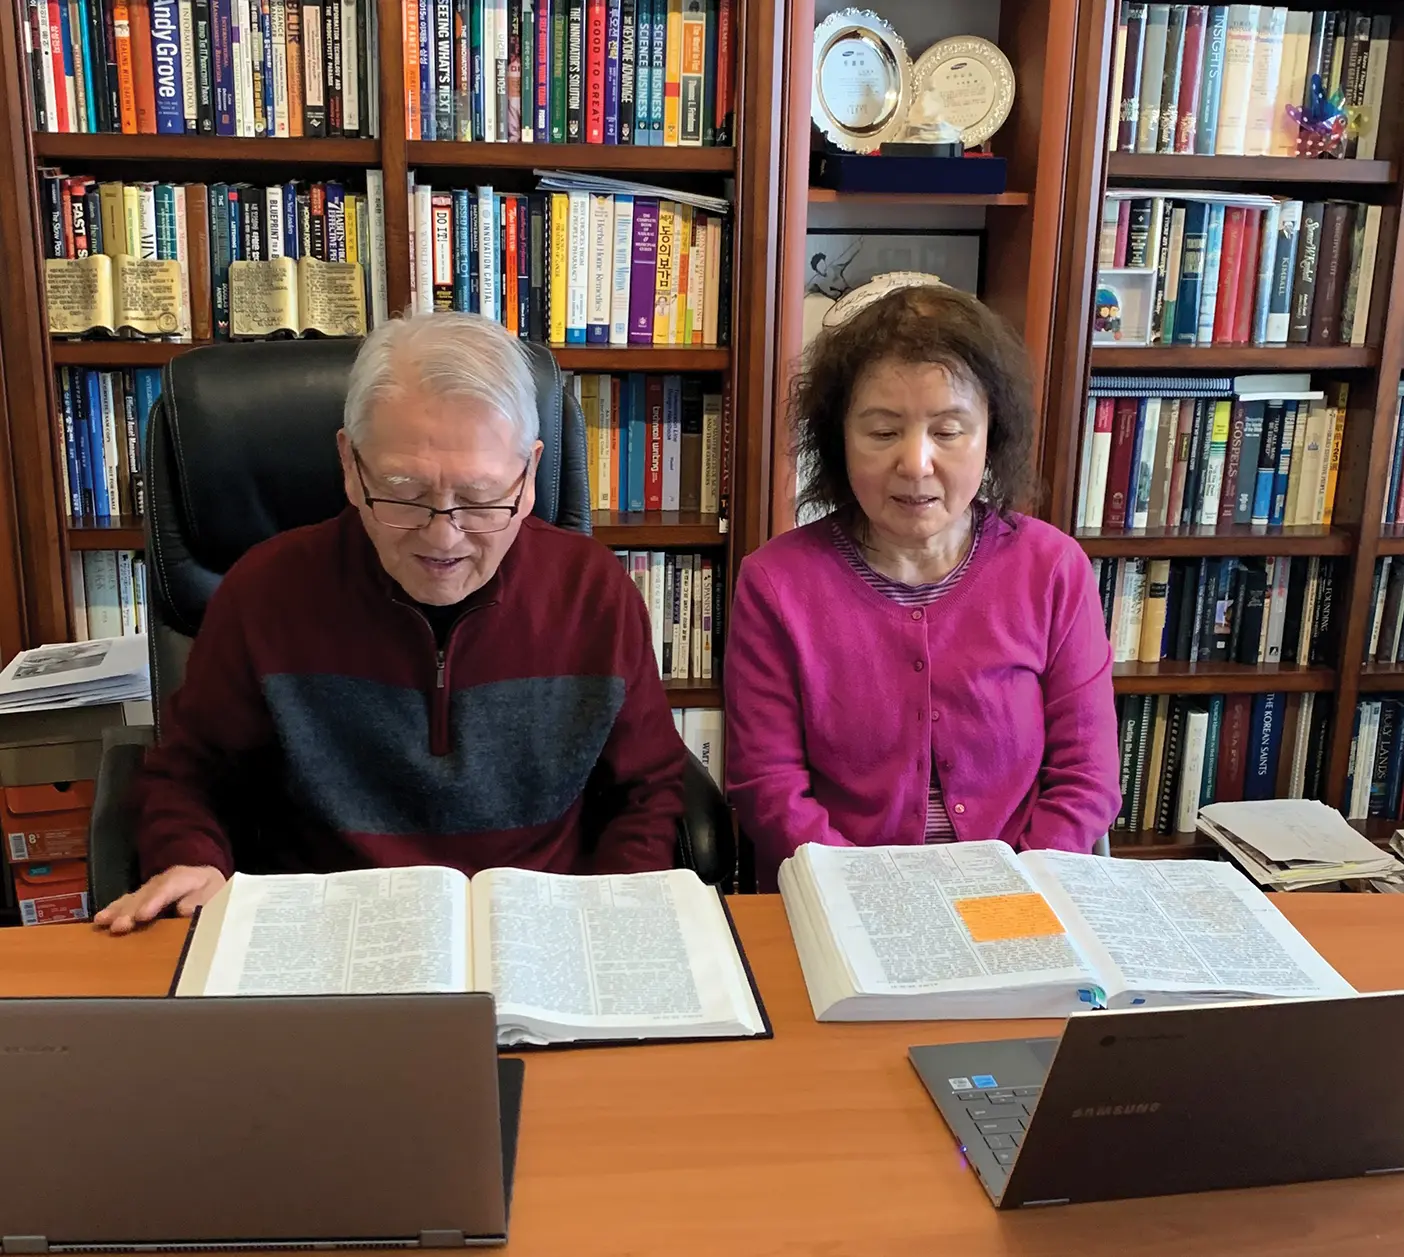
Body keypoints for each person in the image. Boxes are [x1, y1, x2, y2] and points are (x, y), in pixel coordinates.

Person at [95, 311, 686, 933]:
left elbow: (646, 792)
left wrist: (617, 908)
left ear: (530, 473)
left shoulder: (594, 593)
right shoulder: (264, 593)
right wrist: (193, 859)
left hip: (538, 930)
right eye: (404, 493)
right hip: (326, 931)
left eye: (481, 498)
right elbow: (188, 776)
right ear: (351, 465)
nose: (444, 536)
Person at [723, 283, 1121, 890]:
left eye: (949, 430)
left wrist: (1019, 890)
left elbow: (1086, 777)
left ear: (992, 433)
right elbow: (769, 788)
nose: (915, 463)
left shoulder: (1053, 569)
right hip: (844, 896)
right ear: (838, 442)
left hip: (1026, 892)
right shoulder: (776, 584)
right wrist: (876, 897)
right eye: (883, 432)